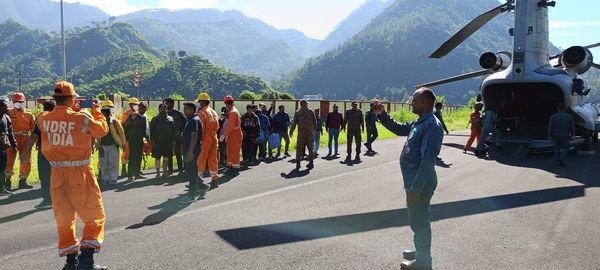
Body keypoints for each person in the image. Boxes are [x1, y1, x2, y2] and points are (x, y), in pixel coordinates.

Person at [37, 81, 109, 270]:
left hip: (57, 176)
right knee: (95, 216)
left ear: (55, 98)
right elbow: (101, 130)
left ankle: (71, 262)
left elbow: (54, 121)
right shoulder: (81, 118)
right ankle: (86, 262)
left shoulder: (43, 118)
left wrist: (70, 110)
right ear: (71, 98)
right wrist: (97, 111)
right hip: (80, 173)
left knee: (64, 219)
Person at [375, 87, 443, 270]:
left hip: (420, 182)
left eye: (414, 99)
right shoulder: (421, 122)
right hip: (414, 180)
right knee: (419, 219)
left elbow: (428, 160)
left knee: (419, 221)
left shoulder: (431, 126)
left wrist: (416, 187)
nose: (411, 102)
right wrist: (383, 115)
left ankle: (423, 262)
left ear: (425, 102)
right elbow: (399, 129)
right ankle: (421, 251)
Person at [22, 100, 56, 208]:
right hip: (59, 153)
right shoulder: (61, 118)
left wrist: (26, 151)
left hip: (45, 152)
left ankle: (47, 200)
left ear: (44, 108)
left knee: (45, 176)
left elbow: (33, 136)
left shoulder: (42, 118)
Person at [6, 92, 36, 190]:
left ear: (23, 102)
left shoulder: (29, 114)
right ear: (13, 101)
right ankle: (7, 182)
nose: (18, 103)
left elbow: (34, 130)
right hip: (12, 140)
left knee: (26, 160)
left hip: (25, 140)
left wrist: (35, 142)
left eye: (20, 101)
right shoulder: (8, 113)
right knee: (9, 160)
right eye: (16, 101)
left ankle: (23, 181)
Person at [179, 102, 206, 203]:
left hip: (193, 151)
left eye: (186, 109)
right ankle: (202, 185)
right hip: (188, 150)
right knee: (189, 170)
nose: (184, 111)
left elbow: (194, 137)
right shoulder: (190, 120)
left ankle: (191, 195)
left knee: (192, 171)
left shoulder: (194, 120)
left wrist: (190, 152)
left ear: (191, 110)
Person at [97, 100, 126, 186]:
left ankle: (113, 179)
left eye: (106, 112)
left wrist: (123, 145)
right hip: (102, 146)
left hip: (113, 146)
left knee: (113, 163)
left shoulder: (115, 122)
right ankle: (105, 179)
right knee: (104, 164)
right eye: (103, 112)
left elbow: (122, 133)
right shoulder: (100, 122)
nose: (104, 114)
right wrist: (98, 145)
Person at [196, 93, 221, 186]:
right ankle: (215, 178)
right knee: (213, 158)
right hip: (214, 137)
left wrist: (199, 139)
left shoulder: (202, 112)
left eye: (199, 101)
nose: (198, 103)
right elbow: (217, 126)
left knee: (201, 158)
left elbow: (200, 128)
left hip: (205, 138)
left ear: (203, 102)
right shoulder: (213, 112)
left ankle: (198, 179)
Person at [123, 102, 149, 181]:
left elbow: (144, 131)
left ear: (146, 109)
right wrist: (131, 120)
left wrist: (147, 140)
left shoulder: (144, 118)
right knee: (132, 157)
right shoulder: (132, 116)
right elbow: (124, 126)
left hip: (139, 140)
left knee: (139, 157)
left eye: (144, 109)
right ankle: (130, 175)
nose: (142, 110)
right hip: (132, 140)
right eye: (140, 108)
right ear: (138, 108)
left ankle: (137, 174)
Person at [289, 100, 317, 170]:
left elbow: (294, 123)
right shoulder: (310, 111)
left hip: (301, 134)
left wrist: (291, 131)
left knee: (299, 148)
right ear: (305, 104)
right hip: (309, 133)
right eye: (307, 103)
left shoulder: (298, 112)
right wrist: (315, 130)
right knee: (310, 148)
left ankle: (298, 164)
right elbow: (314, 121)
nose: (307, 104)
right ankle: (311, 163)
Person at [150, 103, 176, 178]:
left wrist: (173, 140)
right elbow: (152, 131)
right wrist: (152, 141)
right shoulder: (155, 119)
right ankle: (158, 173)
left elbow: (173, 130)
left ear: (167, 109)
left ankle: (165, 172)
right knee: (157, 157)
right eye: (161, 108)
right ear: (159, 109)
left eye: (165, 108)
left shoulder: (170, 119)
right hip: (157, 141)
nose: (163, 109)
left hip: (167, 142)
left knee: (166, 157)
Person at [163, 98, 187, 174]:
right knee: (169, 153)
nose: (165, 105)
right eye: (164, 103)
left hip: (177, 136)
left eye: (166, 103)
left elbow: (185, 123)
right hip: (168, 137)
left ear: (172, 104)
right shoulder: (164, 114)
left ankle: (180, 169)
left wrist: (181, 132)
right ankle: (170, 170)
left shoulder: (178, 113)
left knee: (178, 153)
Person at [548, 102, 575, 167]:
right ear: (564, 108)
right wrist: (572, 135)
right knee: (566, 148)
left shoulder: (553, 116)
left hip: (556, 135)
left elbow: (550, 127)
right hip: (565, 135)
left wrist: (550, 135)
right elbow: (572, 127)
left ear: (557, 108)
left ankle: (557, 160)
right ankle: (561, 158)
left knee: (557, 148)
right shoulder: (569, 117)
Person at [220, 96, 243, 173]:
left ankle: (235, 168)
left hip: (235, 135)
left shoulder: (233, 112)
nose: (227, 105)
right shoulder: (234, 110)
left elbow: (231, 126)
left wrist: (224, 135)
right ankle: (230, 166)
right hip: (233, 135)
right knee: (230, 151)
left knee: (234, 152)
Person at [0, 100, 17, 196]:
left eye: (7, 107)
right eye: (5, 107)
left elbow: (10, 133)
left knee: (2, 169)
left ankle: (2, 189)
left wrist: (14, 145)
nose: (7, 109)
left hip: (3, 148)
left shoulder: (6, 118)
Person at [120, 97, 140, 177]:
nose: (136, 106)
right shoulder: (126, 114)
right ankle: (124, 169)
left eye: (137, 104)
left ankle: (135, 170)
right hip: (128, 137)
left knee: (136, 153)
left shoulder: (139, 113)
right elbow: (123, 125)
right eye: (134, 104)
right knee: (126, 153)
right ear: (130, 105)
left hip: (137, 137)